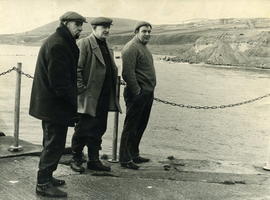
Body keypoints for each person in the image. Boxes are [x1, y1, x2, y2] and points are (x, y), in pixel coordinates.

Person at [29, 11, 87, 198]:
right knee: (54, 143)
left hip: (51, 104)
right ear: (64, 23)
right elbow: (59, 83)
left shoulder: (59, 41)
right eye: (77, 23)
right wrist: (73, 106)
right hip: (54, 106)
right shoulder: (58, 45)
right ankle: (43, 184)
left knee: (52, 141)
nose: (80, 27)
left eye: (81, 24)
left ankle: (48, 176)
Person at [70, 17, 121, 173]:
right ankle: (76, 158)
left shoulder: (106, 46)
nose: (106, 30)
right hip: (89, 96)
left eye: (108, 27)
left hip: (103, 96)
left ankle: (93, 160)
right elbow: (76, 69)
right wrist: (81, 90)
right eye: (103, 27)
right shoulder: (85, 43)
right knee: (83, 129)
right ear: (94, 28)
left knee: (99, 128)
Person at [119, 21, 156, 170]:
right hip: (137, 94)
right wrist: (137, 91)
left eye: (149, 31)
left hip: (147, 93)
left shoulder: (143, 47)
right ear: (136, 32)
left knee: (141, 125)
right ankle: (125, 158)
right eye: (144, 31)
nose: (147, 34)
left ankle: (134, 154)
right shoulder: (130, 48)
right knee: (131, 126)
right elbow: (127, 73)